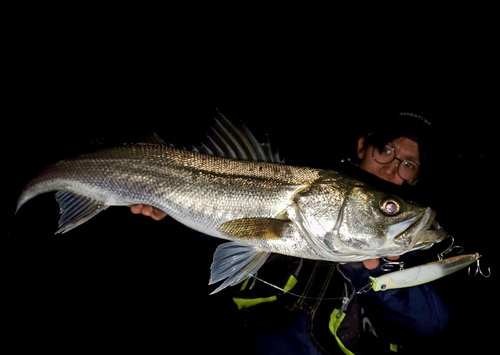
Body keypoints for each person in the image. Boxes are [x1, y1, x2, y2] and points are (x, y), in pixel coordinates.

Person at [130, 111, 451, 354]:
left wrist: (386, 270)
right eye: (386, 149)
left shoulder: (410, 243)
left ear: (416, 178)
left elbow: (428, 325)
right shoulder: (309, 181)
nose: (392, 168)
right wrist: (170, 211)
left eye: (409, 165)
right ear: (363, 146)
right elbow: (225, 230)